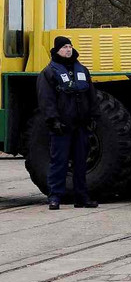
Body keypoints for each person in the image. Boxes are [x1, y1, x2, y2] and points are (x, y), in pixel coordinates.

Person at [37, 36, 100, 210]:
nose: (68, 50)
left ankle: (82, 197)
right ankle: (55, 197)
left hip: (80, 125)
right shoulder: (49, 72)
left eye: (70, 46)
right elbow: (46, 100)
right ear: (57, 50)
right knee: (59, 162)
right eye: (64, 47)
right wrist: (53, 121)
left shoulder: (82, 70)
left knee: (81, 163)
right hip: (62, 126)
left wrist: (94, 117)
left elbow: (91, 96)